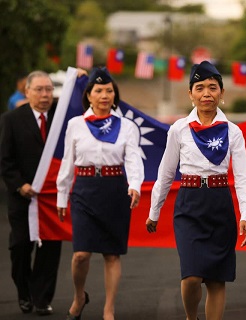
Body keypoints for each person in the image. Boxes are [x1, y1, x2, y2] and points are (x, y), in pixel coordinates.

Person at [146, 60, 246, 320]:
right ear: (190, 94)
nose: (206, 93)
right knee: (192, 276)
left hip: (220, 204)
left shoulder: (233, 132)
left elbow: (243, 178)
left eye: (212, 87)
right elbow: (165, 172)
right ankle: (190, 316)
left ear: (221, 93)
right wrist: (154, 210)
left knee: (217, 279)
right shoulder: (179, 129)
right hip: (190, 203)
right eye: (199, 87)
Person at [56, 67, 144, 320]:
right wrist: (63, 196)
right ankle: (79, 295)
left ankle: (109, 308)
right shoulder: (76, 124)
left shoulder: (126, 126)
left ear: (115, 95)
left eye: (109, 90)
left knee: (112, 254)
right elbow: (67, 162)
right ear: (89, 96)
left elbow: (133, 160)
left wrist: (134, 185)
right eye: (99, 91)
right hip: (84, 190)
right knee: (81, 255)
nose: (104, 95)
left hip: (114, 189)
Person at [0, 70, 62, 316]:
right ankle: (24, 292)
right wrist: (19, 184)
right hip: (22, 196)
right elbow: (5, 160)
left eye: (49, 89)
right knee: (20, 247)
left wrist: (81, 78)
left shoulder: (61, 116)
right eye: (39, 89)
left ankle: (41, 298)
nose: (45, 95)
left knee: (50, 248)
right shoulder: (12, 119)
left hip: (52, 198)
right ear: (27, 92)